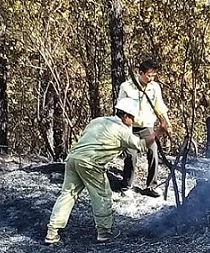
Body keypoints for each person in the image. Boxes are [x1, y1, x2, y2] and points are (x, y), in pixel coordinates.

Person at [44, 97, 166, 245]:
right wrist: (158, 132)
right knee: (102, 195)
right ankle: (104, 233)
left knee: (67, 195)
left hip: (73, 159)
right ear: (125, 115)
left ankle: (52, 232)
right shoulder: (122, 131)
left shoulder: (97, 121)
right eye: (132, 117)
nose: (133, 121)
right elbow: (141, 145)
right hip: (91, 163)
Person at [118, 58, 173, 197]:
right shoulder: (126, 87)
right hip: (130, 127)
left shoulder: (155, 87)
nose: (151, 78)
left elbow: (159, 107)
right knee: (131, 156)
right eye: (149, 75)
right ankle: (127, 186)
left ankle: (151, 186)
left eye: (154, 75)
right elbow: (121, 108)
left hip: (147, 125)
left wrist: (167, 123)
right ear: (140, 73)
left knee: (153, 153)